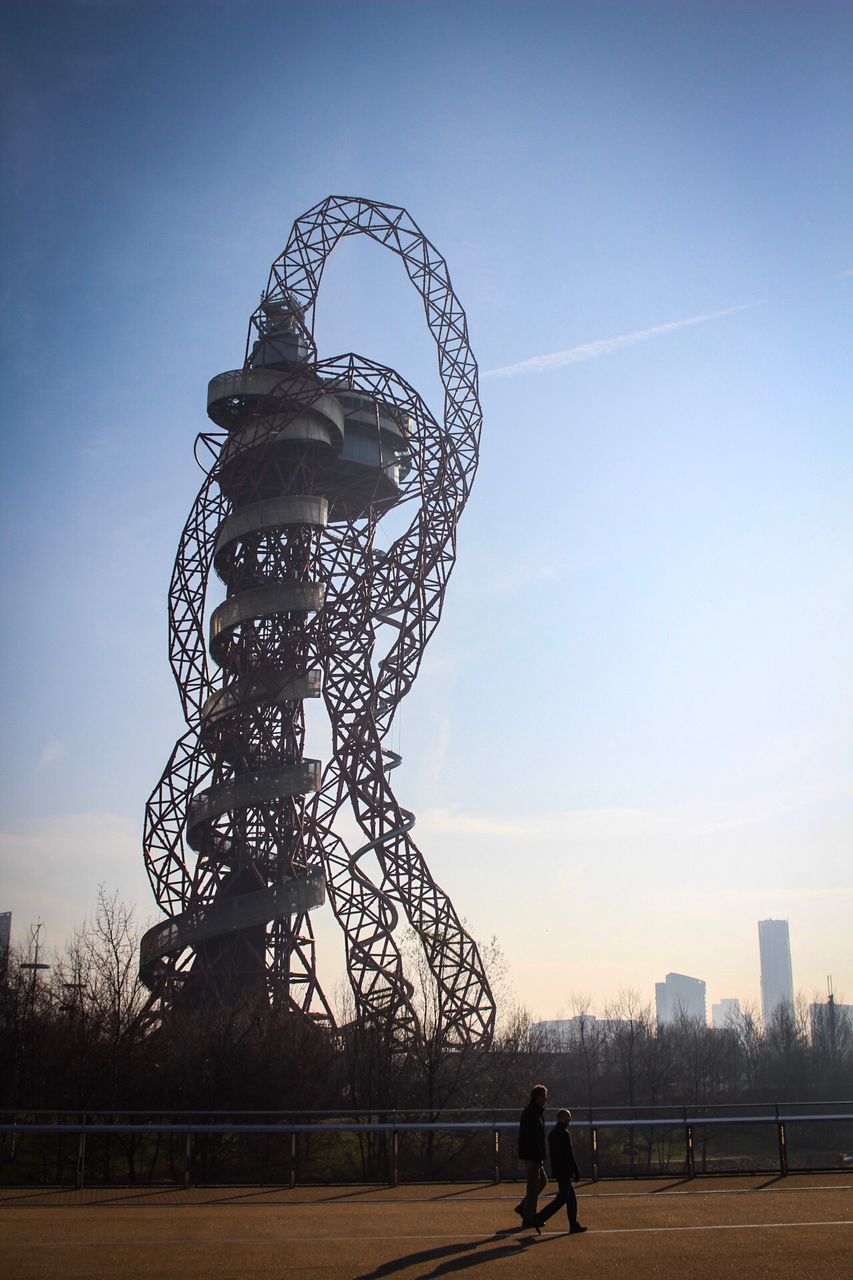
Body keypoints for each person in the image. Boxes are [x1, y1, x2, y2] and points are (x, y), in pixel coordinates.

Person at [534, 1107, 588, 1234]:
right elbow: (569, 1154)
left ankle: (573, 1224)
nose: (570, 1120)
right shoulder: (564, 1133)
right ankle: (540, 1217)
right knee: (563, 1198)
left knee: (570, 1198)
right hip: (564, 1171)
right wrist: (575, 1170)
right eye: (568, 1117)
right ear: (563, 1118)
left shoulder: (553, 1133)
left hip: (558, 1170)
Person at [513, 1084, 548, 1228]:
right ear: (537, 1097)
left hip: (532, 1154)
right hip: (531, 1155)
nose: (546, 1099)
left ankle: (524, 1207)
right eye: (544, 1096)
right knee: (534, 1186)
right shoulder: (532, 1113)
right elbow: (532, 1138)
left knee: (541, 1182)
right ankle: (529, 1218)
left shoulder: (535, 1112)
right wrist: (538, 1157)